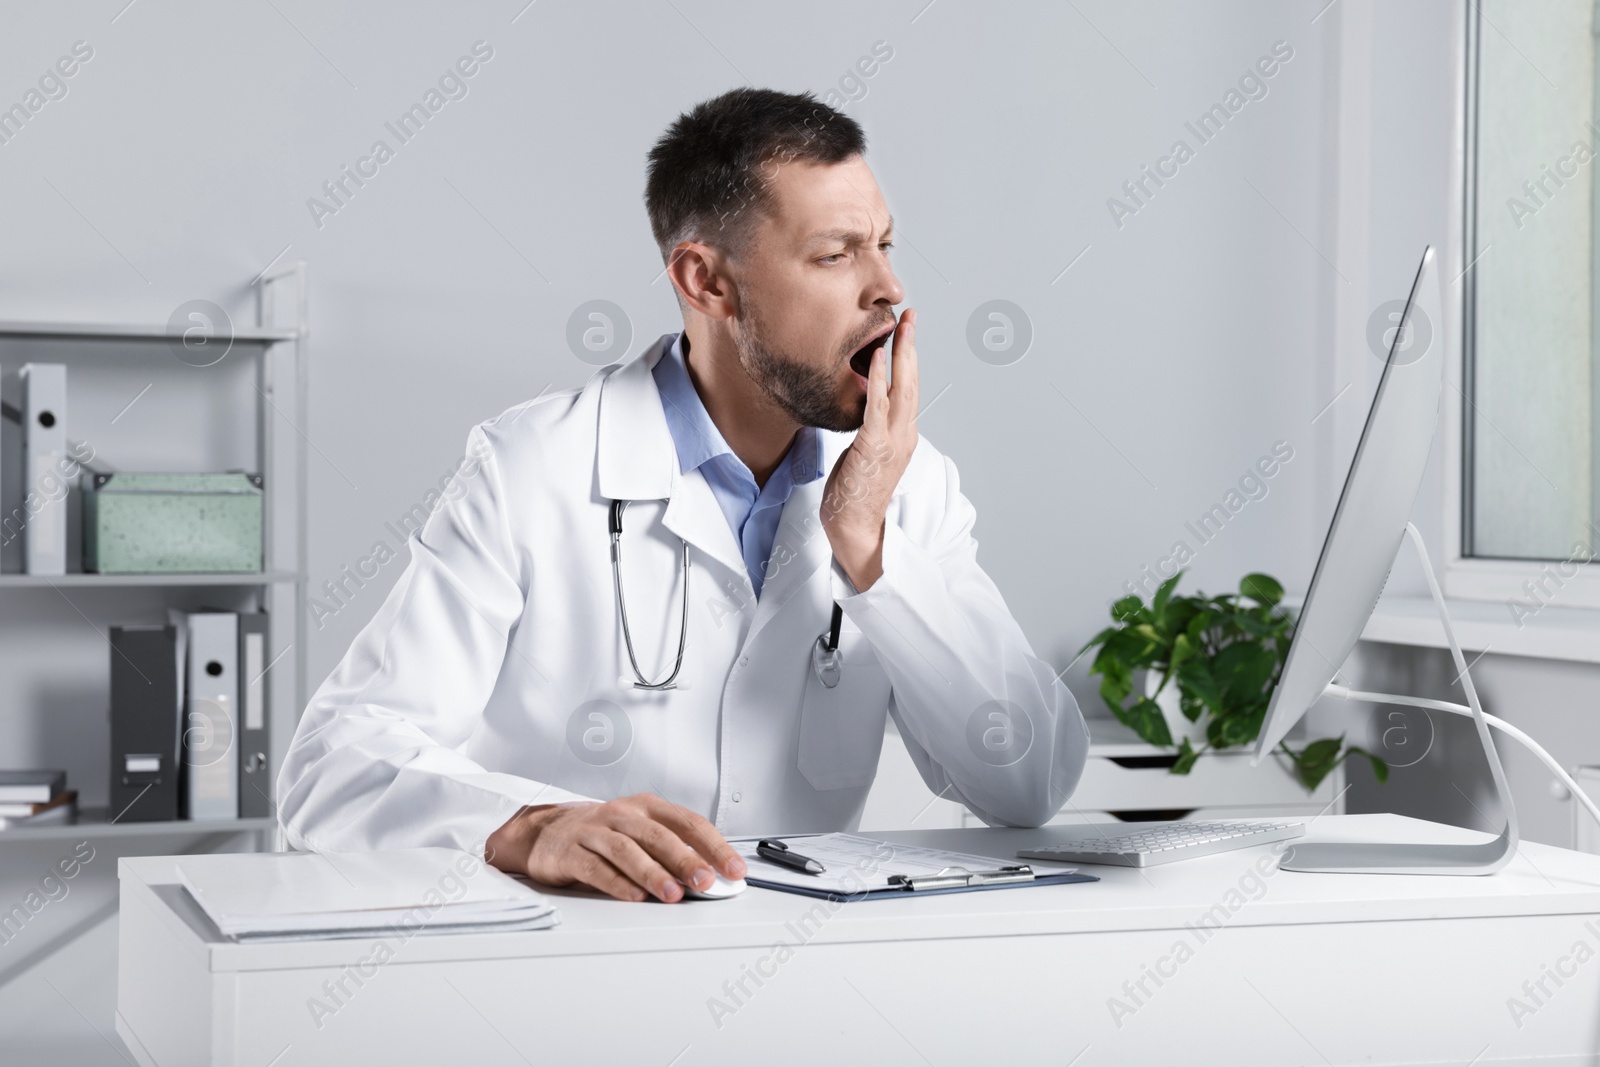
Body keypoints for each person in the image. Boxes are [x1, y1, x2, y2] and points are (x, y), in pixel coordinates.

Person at [277, 87, 1089, 903]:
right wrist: (530, 823)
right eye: (836, 254)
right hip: (569, 973)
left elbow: (1028, 784)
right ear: (707, 282)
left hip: (806, 982)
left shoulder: (906, 483)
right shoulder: (530, 468)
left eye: (883, 244)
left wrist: (870, 545)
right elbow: (330, 770)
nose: (888, 287)